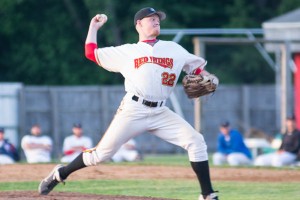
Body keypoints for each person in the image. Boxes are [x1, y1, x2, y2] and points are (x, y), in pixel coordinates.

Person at [39, 7, 218, 200]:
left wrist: (211, 79)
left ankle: (207, 194)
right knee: (100, 155)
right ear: (139, 24)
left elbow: (198, 69)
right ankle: (61, 173)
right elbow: (91, 53)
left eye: (158, 18)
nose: (157, 21)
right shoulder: (128, 51)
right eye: (151, 18)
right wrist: (93, 27)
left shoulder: (174, 49)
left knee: (196, 141)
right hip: (134, 109)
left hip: (160, 112)